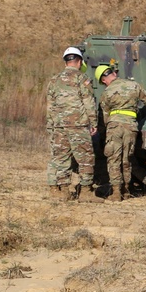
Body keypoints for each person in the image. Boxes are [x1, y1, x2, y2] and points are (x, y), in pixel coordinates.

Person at [96, 65, 146, 201]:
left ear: (103, 80)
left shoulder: (106, 93)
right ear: (114, 73)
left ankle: (116, 193)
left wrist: (103, 136)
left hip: (114, 126)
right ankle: (126, 190)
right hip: (131, 126)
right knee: (127, 159)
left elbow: (103, 117)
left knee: (114, 159)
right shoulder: (134, 85)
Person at [46, 47, 101, 202]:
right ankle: (85, 192)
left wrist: (51, 126)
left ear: (66, 62)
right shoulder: (82, 78)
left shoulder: (54, 80)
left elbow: (50, 106)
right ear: (79, 61)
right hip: (78, 125)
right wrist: (94, 122)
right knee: (86, 158)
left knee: (62, 158)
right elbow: (88, 101)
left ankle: (64, 191)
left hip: (59, 125)